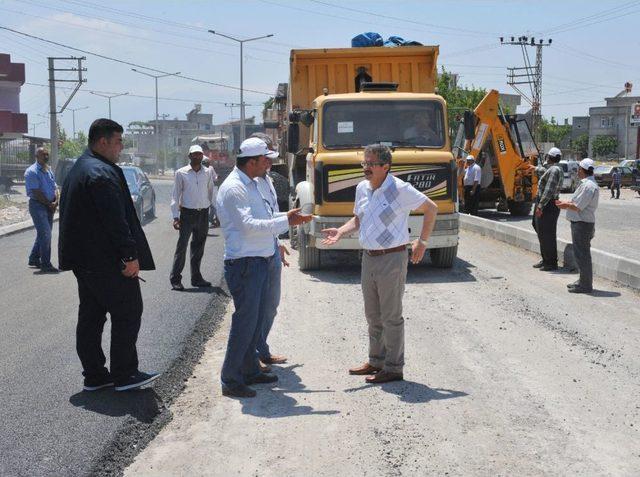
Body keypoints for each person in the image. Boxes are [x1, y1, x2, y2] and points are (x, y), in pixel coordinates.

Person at [322, 143, 438, 384]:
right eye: (364, 163)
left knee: (391, 316)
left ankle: (394, 368)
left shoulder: (400, 189)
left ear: (386, 166)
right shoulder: (362, 188)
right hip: (369, 258)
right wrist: (341, 232)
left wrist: (422, 241)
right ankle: (376, 361)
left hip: (392, 258)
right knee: (373, 315)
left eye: (371, 164)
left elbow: (431, 208)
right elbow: (359, 218)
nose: (366, 168)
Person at [59, 118, 159, 392]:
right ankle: (125, 374)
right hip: (106, 261)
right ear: (103, 142)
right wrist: (129, 256)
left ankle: (94, 376)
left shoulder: (81, 167)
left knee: (91, 315)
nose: (121, 147)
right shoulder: (101, 173)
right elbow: (116, 221)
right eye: (118, 141)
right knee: (128, 310)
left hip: (86, 261)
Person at [216, 137, 311, 398]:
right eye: (264, 159)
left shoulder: (253, 183)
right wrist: (286, 221)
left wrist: (286, 219)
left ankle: (248, 370)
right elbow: (248, 226)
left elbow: (265, 218)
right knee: (244, 323)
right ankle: (231, 378)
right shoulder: (235, 188)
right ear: (252, 161)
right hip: (245, 263)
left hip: (257, 259)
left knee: (255, 321)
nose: (268, 163)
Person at [249, 132, 288, 369]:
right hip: (255, 253)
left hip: (271, 247)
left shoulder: (268, 180)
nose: (270, 161)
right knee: (255, 307)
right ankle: (252, 355)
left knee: (271, 305)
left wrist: (278, 241)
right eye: (266, 155)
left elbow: (270, 214)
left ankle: (261, 348)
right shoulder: (247, 183)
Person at [169, 145, 216, 290]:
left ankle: (196, 278)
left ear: (202, 156)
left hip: (203, 213)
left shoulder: (207, 172)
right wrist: (176, 216)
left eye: (199, 154)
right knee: (182, 247)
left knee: (198, 247)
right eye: (194, 155)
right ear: (189, 156)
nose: (197, 157)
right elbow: (175, 195)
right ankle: (175, 279)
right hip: (187, 214)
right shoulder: (181, 173)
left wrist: (216, 214)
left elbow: (211, 193)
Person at [556, 158, 599, 294]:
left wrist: (564, 205)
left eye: (578, 169)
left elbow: (578, 206)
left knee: (582, 255)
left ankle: (585, 285)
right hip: (581, 223)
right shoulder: (586, 184)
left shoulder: (588, 186)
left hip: (582, 224)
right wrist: (565, 202)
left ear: (582, 170)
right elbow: (576, 201)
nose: (577, 171)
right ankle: (582, 281)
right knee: (581, 254)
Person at [24, 147, 59, 272]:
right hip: (38, 206)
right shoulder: (32, 172)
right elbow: (36, 192)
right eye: (43, 154)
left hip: (49, 205)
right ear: (37, 156)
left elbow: (55, 187)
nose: (46, 156)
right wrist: (50, 204)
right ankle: (45, 264)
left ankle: (34, 258)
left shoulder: (48, 170)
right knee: (45, 234)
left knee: (43, 234)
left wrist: (56, 201)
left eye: (47, 154)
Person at [532, 147, 563, 271]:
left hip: (547, 204)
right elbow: (542, 171)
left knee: (547, 234)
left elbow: (548, 190)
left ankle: (551, 262)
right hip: (544, 203)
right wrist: (534, 168)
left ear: (549, 157)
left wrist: (540, 206)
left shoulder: (554, 170)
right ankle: (545, 259)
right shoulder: (551, 169)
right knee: (539, 228)